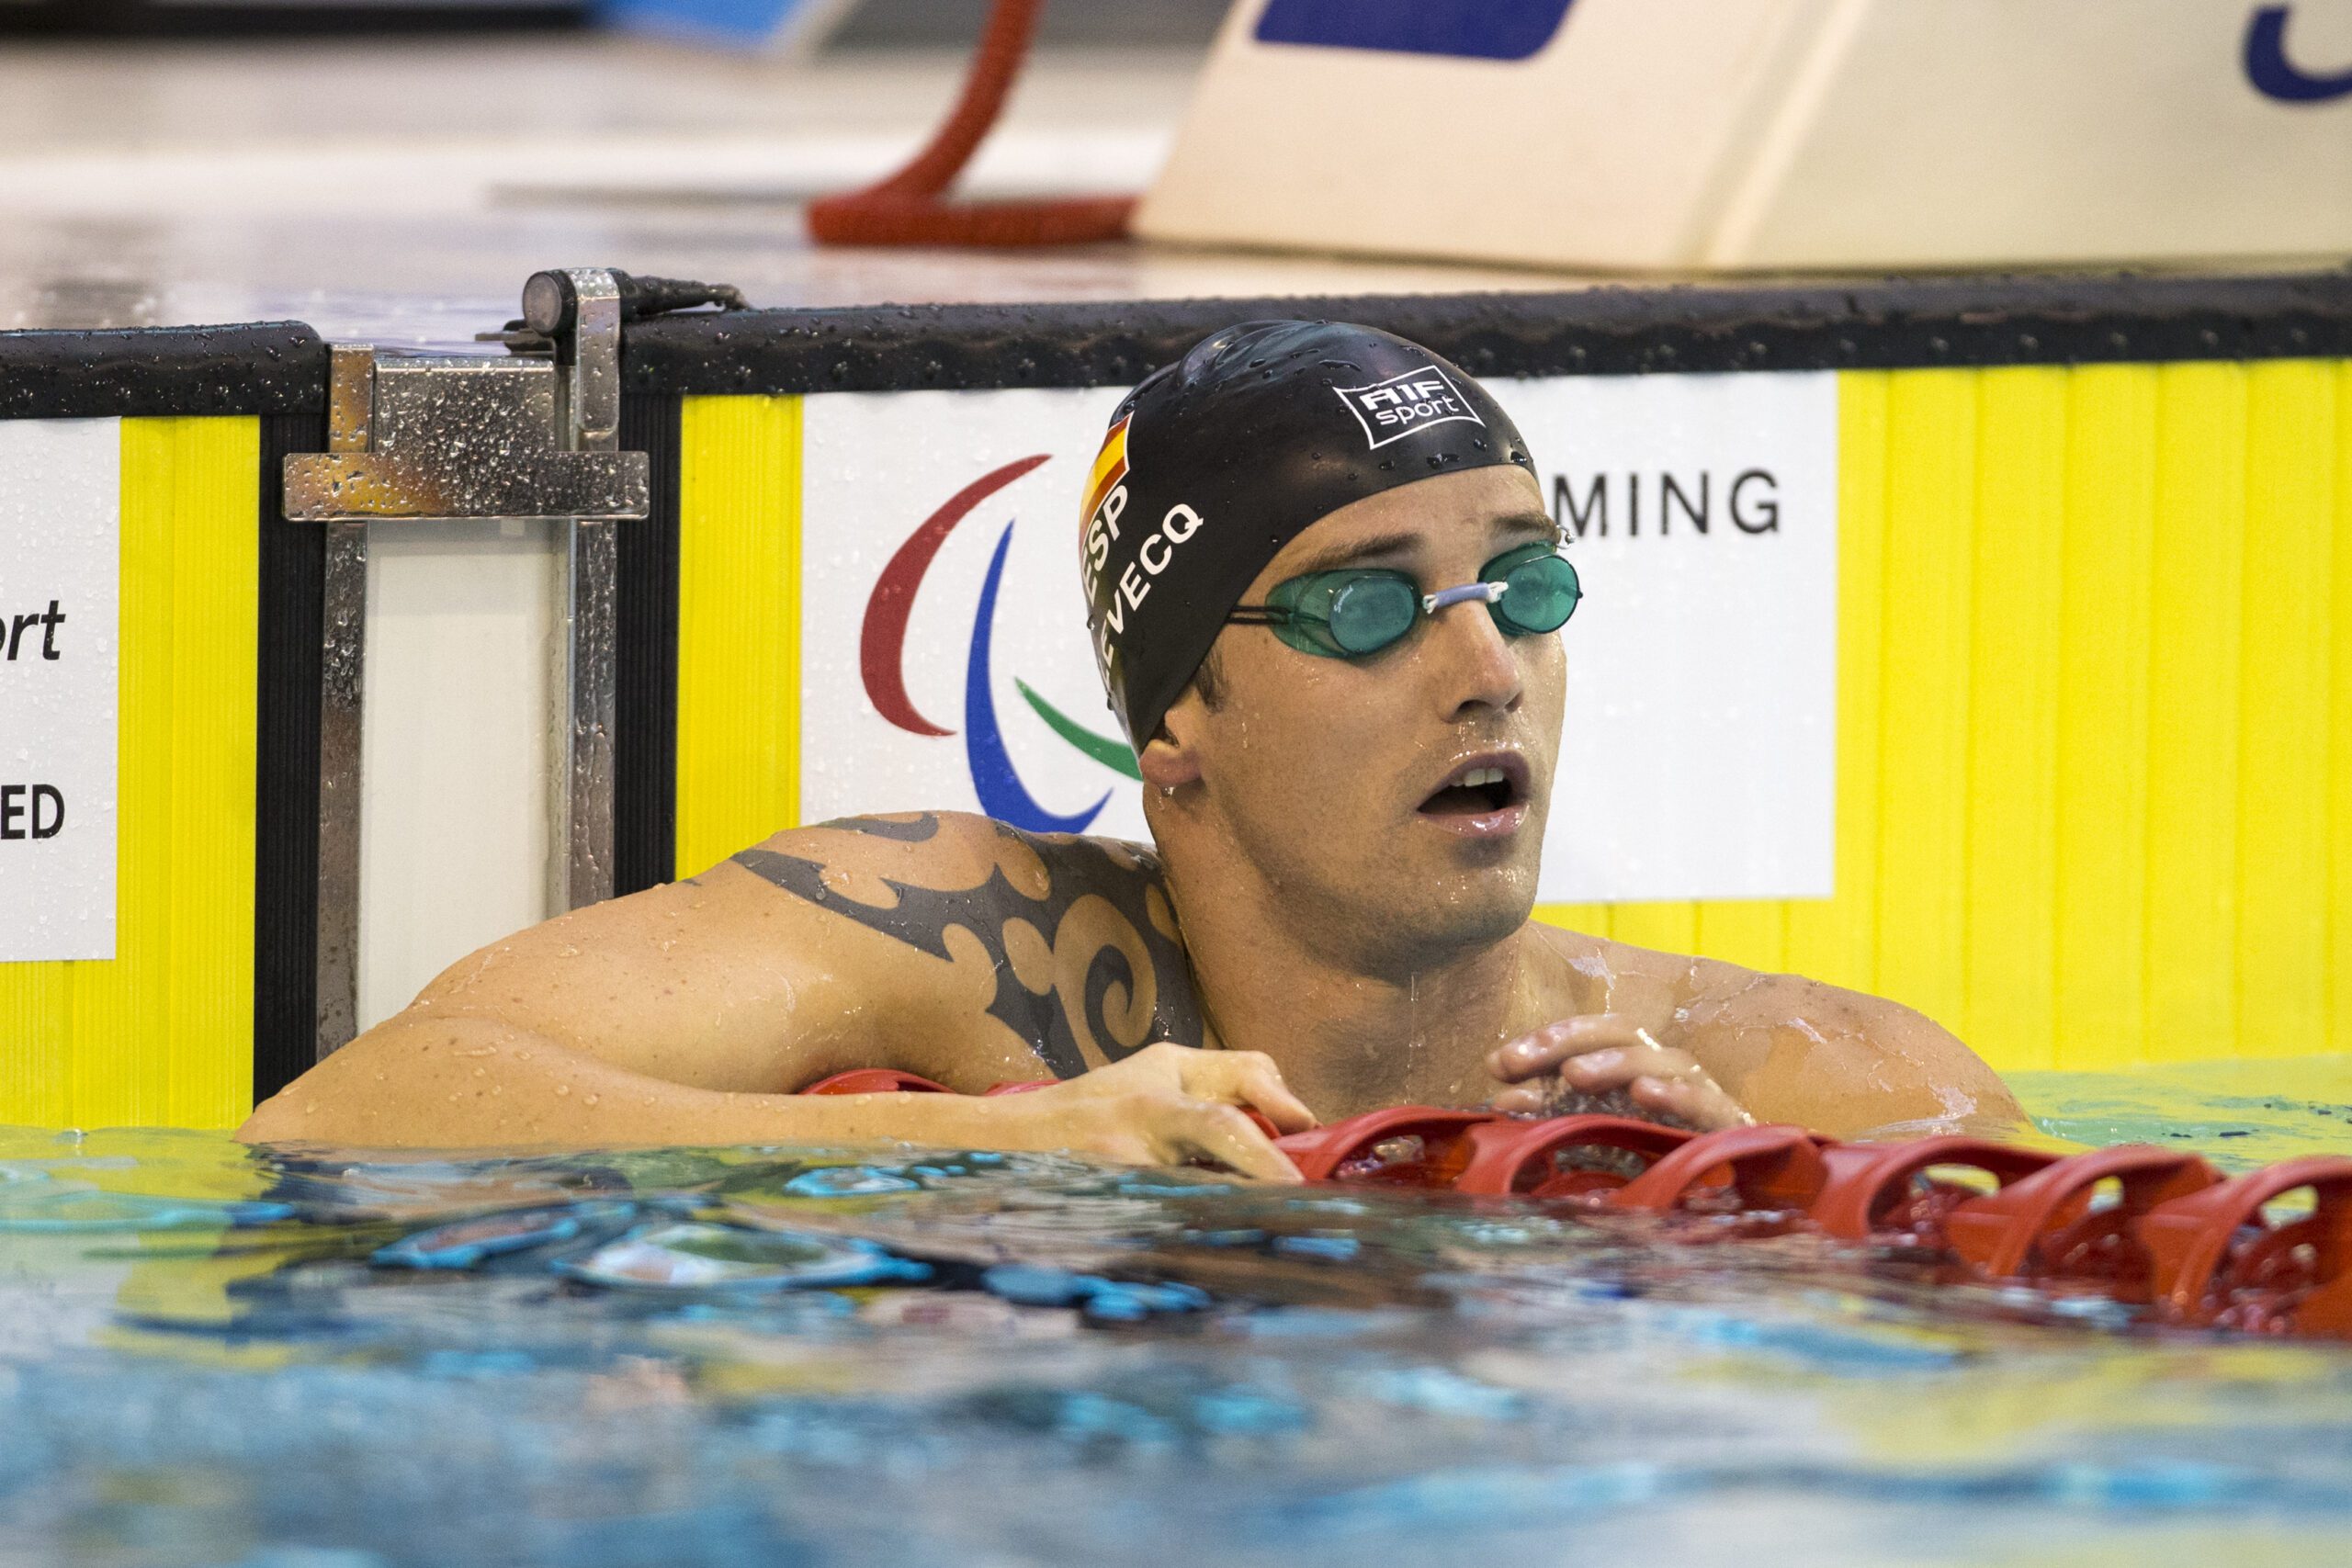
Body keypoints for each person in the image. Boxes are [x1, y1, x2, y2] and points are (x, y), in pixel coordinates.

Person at [240, 321, 2022, 1177]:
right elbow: (354, 1107)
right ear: (1172, 714)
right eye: (1359, 605)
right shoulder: (969, 942)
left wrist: (1752, 1220)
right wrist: (987, 1146)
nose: (1485, 664)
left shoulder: (1804, 1077)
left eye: (1520, 582)